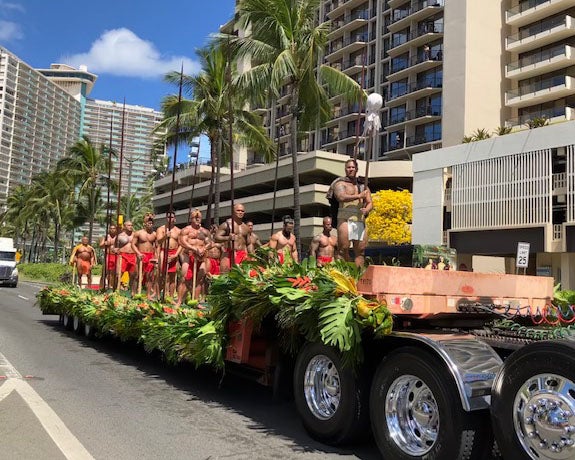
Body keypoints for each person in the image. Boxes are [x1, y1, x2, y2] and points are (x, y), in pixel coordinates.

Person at [333, 158, 373, 266]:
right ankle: (342, 271)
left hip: (359, 219)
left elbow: (370, 202)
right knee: (343, 248)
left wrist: (367, 209)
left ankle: (359, 274)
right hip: (345, 219)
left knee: (360, 251)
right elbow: (341, 197)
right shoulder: (340, 184)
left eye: (353, 167)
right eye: (348, 167)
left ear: (356, 169)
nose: (351, 169)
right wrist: (358, 196)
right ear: (345, 169)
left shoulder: (363, 186)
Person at [176, 209, 210, 306]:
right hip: (189, 255)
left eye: (199, 217)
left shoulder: (204, 231)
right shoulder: (186, 230)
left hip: (201, 256)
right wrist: (193, 248)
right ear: (191, 218)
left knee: (199, 279)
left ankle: (195, 302)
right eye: (195, 217)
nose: (197, 219)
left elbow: (210, 242)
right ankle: (179, 301)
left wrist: (204, 248)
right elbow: (182, 241)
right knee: (184, 278)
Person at [215, 203, 250, 272]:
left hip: (242, 255)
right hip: (229, 254)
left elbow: (248, 243)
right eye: (238, 210)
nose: (240, 212)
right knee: (225, 277)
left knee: (243, 279)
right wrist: (228, 238)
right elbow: (216, 238)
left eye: (242, 211)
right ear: (233, 211)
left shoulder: (245, 227)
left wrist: (252, 255)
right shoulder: (226, 224)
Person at [156, 211, 181, 299]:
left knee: (172, 276)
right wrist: (165, 236)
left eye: (172, 217)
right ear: (166, 218)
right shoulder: (161, 229)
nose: (170, 219)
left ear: (175, 219)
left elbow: (181, 244)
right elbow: (158, 242)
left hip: (174, 252)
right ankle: (159, 296)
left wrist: (176, 255)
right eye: (168, 217)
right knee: (161, 275)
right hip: (164, 251)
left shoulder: (178, 231)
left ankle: (170, 297)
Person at [131, 214, 158, 299]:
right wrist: (138, 253)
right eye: (148, 222)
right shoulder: (138, 233)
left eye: (151, 222)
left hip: (150, 256)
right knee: (137, 275)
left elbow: (157, 247)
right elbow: (133, 244)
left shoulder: (155, 234)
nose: (150, 224)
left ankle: (148, 294)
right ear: (144, 223)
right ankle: (133, 293)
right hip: (141, 254)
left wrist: (156, 257)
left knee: (150, 276)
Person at [116, 221, 137, 291]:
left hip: (133, 255)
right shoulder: (120, 236)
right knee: (119, 273)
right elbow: (113, 246)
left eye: (131, 225)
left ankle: (132, 292)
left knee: (133, 275)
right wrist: (115, 250)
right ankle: (117, 290)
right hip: (123, 255)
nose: (130, 227)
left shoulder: (135, 235)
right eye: (128, 225)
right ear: (124, 226)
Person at [99, 224, 118, 290]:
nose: (112, 230)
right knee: (105, 271)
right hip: (108, 255)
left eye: (114, 228)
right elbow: (100, 246)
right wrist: (105, 243)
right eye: (111, 228)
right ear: (109, 229)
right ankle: (101, 287)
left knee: (113, 273)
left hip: (115, 256)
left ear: (116, 229)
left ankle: (111, 286)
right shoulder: (106, 237)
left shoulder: (118, 237)